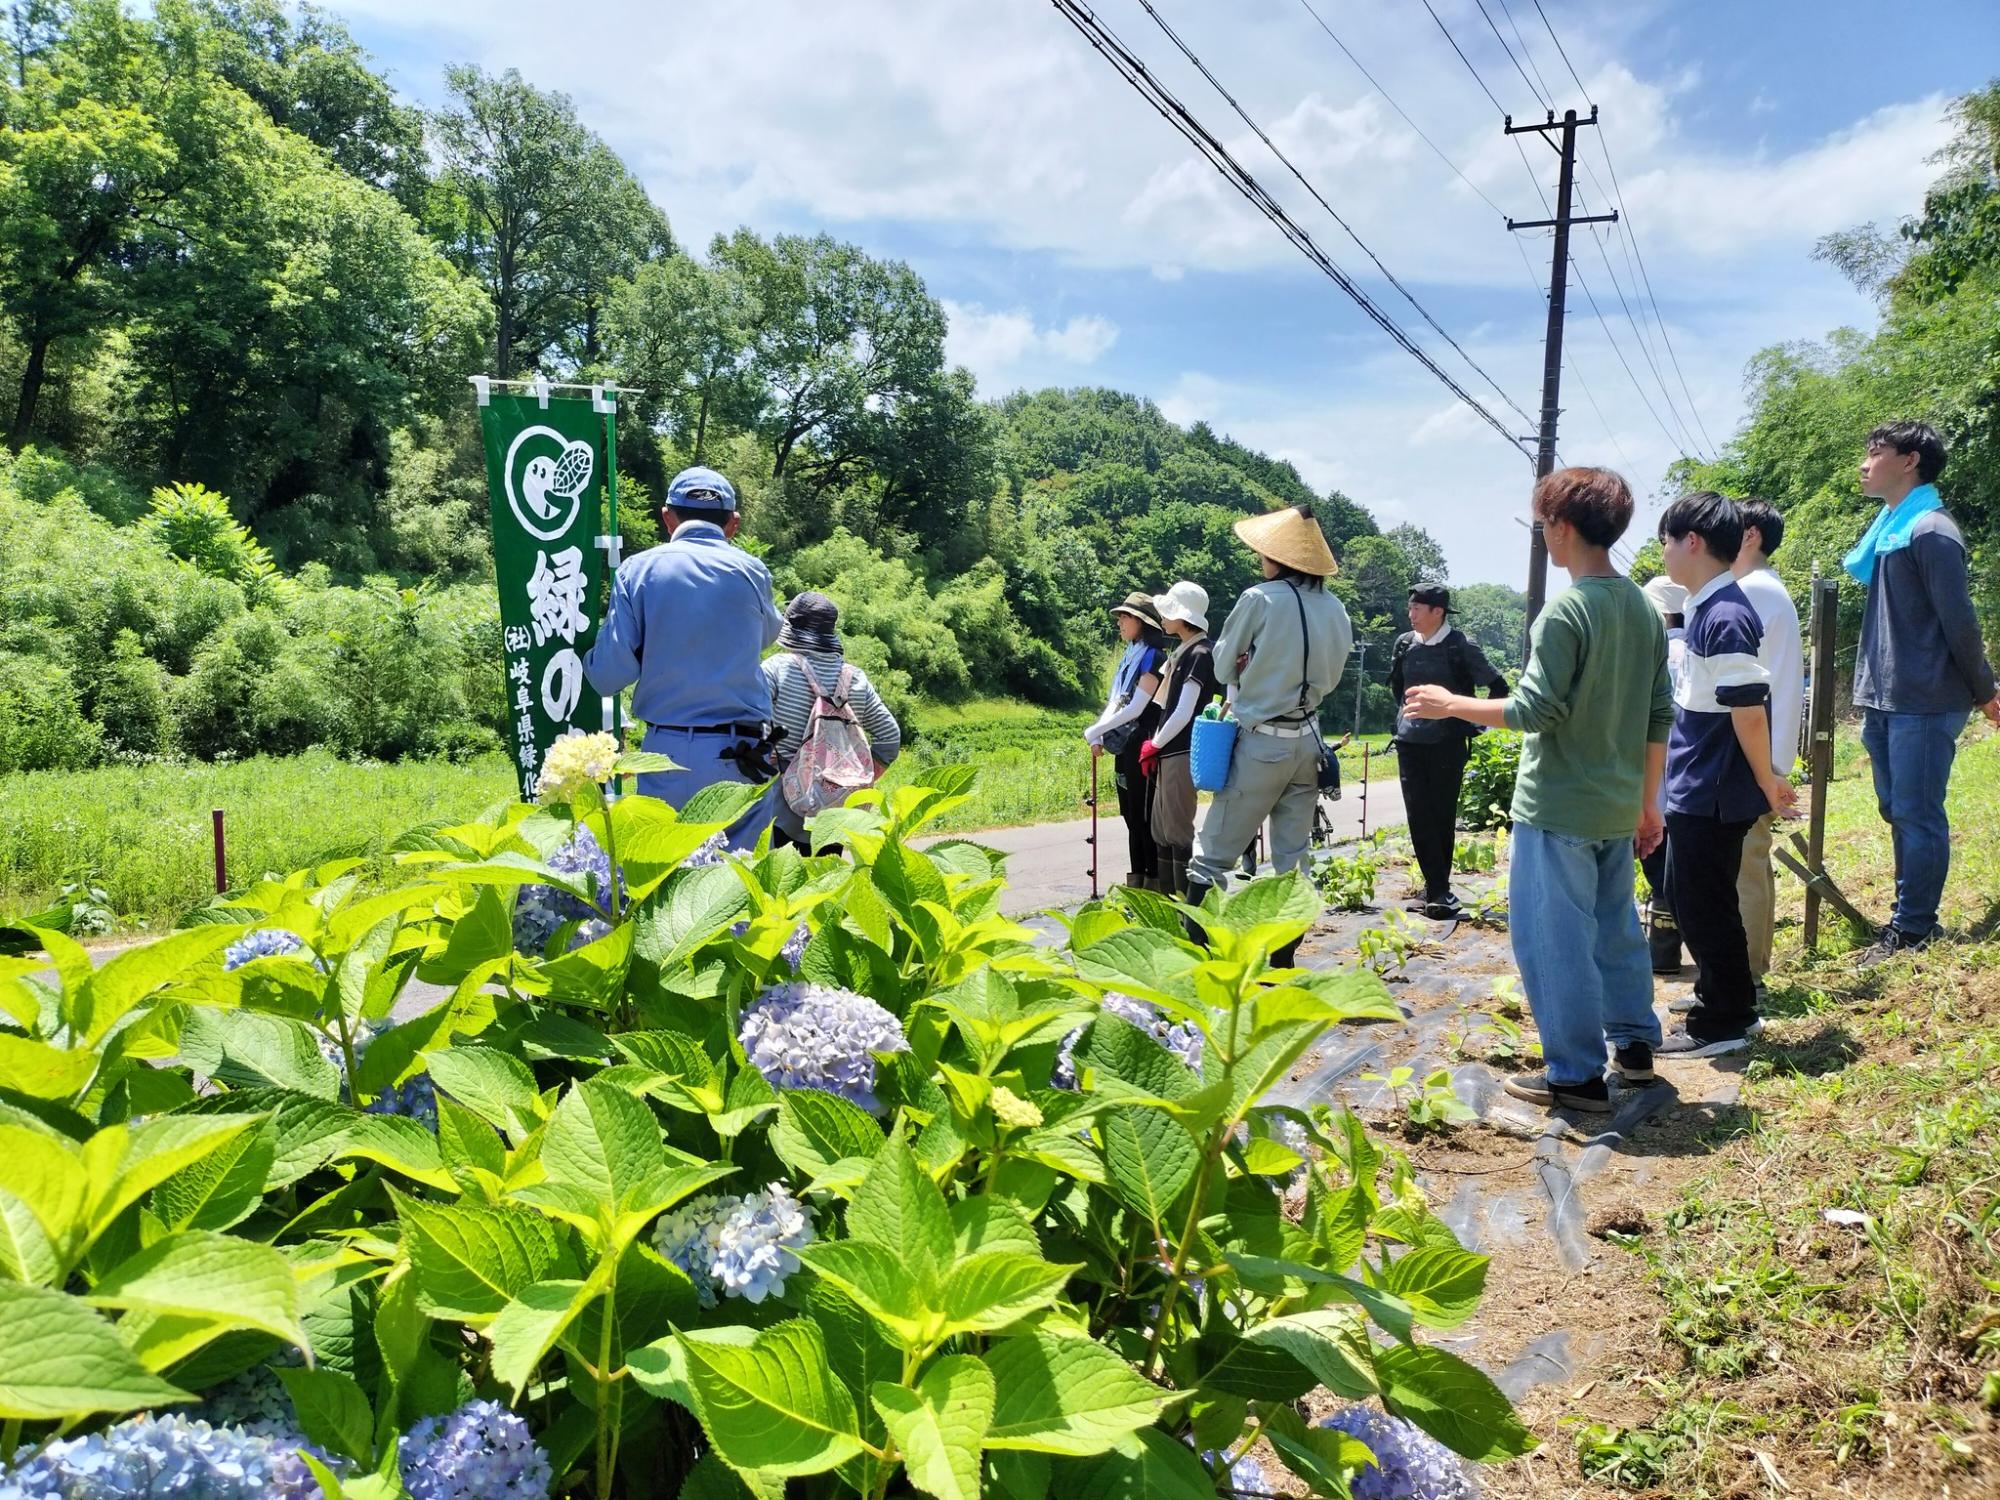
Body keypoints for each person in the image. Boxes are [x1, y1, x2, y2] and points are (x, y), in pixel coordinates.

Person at [1405, 467, 1669, 1114]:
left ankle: (1576, 1075)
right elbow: (1659, 714)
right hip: (1615, 804)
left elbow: (1535, 710)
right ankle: (1634, 1051)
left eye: (1544, 524)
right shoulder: (1642, 608)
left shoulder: (1568, 612)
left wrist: (1450, 704)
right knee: (1614, 931)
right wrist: (1647, 804)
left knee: (1554, 943)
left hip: (1556, 806)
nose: (1543, 537)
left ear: (1566, 526)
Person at [1846, 422, 2000, 967]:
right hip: (1887, 696)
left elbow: (1959, 622)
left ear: (1909, 460)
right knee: (1897, 808)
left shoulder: (1930, 531)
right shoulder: (1892, 530)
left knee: (1916, 812)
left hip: (1927, 698)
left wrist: (1985, 690)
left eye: (1875, 452)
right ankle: (1908, 917)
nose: (1865, 464)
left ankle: (1913, 929)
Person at [1654, 493, 1796, 1059]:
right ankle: (1728, 1000)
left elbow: (1747, 706)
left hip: (1711, 788)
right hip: (1698, 781)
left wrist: (1766, 781)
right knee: (1697, 897)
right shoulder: (1709, 605)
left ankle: (1724, 1020)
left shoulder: (1725, 613)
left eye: (1667, 539)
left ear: (1693, 542)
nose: (1663, 551)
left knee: (1703, 900)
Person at [1186, 505, 1353, 964]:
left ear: (1278, 557)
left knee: (1213, 853)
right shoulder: (1335, 607)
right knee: (1292, 858)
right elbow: (1334, 675)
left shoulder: (1259, 598)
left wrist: (1251, 667)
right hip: (1309, 740)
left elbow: (1222, 665)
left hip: (1262, 741)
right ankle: (1282, 963)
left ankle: (1194, 960)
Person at [583, 466, 783, 840]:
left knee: (662, 878)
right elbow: (768, 635)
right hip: (743, 753)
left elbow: (609, 675)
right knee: (741, 881)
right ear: (733, 523)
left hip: (666, 754)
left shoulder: (636, 571)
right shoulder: (753, 570)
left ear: (667, 517)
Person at [1386, 583, 1508, 920]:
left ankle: (1438, 889)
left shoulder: (1461, 646)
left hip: (1448, 743)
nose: (1410, 615)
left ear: (1438, 612)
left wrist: (1473, 722)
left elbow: (1498, 687)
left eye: (1417, 608)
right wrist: (1405, 719)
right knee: (1418, 816)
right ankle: (1436, 888)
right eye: (1409, 607)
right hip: (1409, 742)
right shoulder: (1404, 645)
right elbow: (1399, 688)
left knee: (1441, 815)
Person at [1727, 500, 1804, 992]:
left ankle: (1744, 980)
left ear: (1749, 535)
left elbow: (1739, 688)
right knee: (1749, 862)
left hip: (1753, 750)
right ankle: (1746, 974)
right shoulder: (1768, 591)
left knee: (1742, 867)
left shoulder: (1751, 593)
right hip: (1765, 748)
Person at [760, 591, 902, 852]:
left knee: (778, 889)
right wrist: (853, 781)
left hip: (779, 813)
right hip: (835, 818)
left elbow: (754, 727)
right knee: (825, 886)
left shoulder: (775, 670)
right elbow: (890, 737)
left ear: (792, 628)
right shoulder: (855, 679)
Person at [1138, 581, 1217, 899]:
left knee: (1177, 830)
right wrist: (1157, 745)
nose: (1164, 619)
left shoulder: (1199, 653)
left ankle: (1184, 909)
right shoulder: (1183, 653)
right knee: (1162, 829)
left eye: (1169, 612)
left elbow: (1184, 711)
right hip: (1170, 749)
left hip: (1181, 750)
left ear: (1185, 617)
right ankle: (1168, 904)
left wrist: (1154, 744)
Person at [1084, 593, 1168, 890]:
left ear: (1142, 623)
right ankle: (1137, 881)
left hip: (1144, 744)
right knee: (1130, 815)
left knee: (1144, 817)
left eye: (1125, 617)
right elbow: (1117, 702)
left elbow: (1137, 708)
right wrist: (1099, 732)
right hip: (1125, 745)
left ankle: (1154, 885)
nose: (1119, 621)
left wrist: (1096, 731)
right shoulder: (1131, 654)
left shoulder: (1154, 658)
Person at [1638, 576, 1689, 975]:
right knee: (1682, 865)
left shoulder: (1656, 654)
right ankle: (1669, 950)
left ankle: (1664, 953)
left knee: (1659, 866)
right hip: (1691, 779)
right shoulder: (1695, 647)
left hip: (1656, 774)